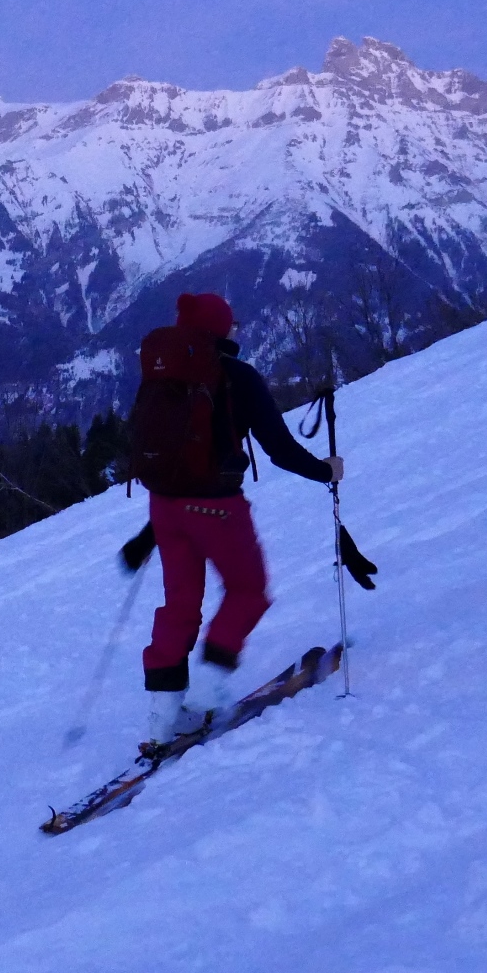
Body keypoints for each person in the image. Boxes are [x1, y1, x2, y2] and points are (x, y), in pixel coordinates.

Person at [138, 291, 340, 746]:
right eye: (232, 323)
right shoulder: (238, 377)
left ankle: (160, 721)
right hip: (215, 507)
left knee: (179, 607)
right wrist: (325, 471)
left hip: (164, 506)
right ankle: (207, 698)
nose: (237, 330)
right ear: (218, 329)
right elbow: (280, 448)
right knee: (248, 590)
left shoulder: (162, 373)